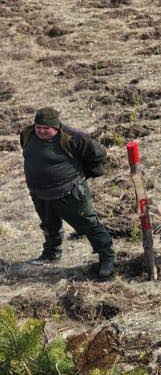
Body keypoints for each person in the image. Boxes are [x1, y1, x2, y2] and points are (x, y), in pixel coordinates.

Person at [19, 107, 116, 280]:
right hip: (39, 192)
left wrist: (82, 175)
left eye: (45, 128)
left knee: (88, 223)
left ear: (55, 127)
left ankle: (107, 257)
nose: (41, 131)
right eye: (38, 127)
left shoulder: (74, 138)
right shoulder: (27, 134)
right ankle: (51, 253)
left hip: (70, 191)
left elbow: (98, 154)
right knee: (49, 224)